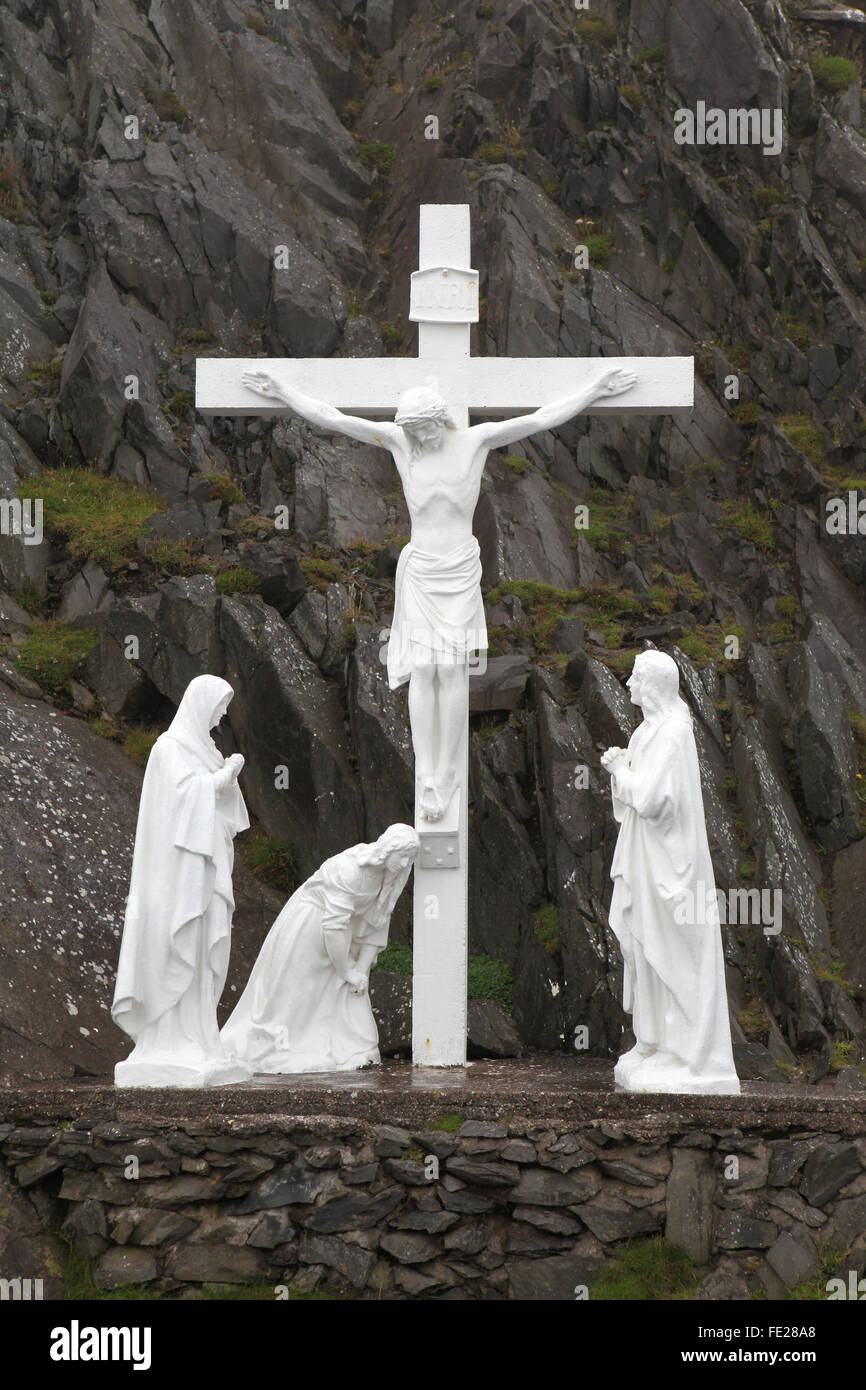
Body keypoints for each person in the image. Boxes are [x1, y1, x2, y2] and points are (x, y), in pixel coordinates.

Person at [241, 365, 636, 821]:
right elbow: (334, 418)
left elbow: (539, 419)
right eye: (412, 431)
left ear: (441, 419)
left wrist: (594, 390)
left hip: (460, 571)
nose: (420, 439)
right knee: (423, 669)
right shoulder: (399, 442)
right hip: (422, 572)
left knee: (451, 670)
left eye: (424, 429)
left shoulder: (475, 441)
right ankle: (426, 771)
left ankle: (447, 772)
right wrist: (285, 391)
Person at [601, 650, 740, 1095]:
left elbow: (657, 802)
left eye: (635, 677)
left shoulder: (674, 733)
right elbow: (633, 805)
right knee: (645, 950)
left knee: (673, 954)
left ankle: (690, 1055)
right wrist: (620, 774)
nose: (628, 685)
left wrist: (620, 770)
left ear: (654, 684)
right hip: (647, 858)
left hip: (672, 869)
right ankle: (656, 1041)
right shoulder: (647, 732)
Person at [112, 675, 251, 1087]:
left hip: (206, 871)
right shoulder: (169, 750)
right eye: (219, 705)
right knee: (181, 943)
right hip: (177, 876)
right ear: (200, 704)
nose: (223, 714)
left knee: (203, 945)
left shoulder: (205, 750)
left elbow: (223, 816)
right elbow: (181, 804)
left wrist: (224, 775)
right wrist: (225, 776)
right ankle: (169, 1039)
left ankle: (198, 1037)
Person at [221, 824, 419, 1073]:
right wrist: (347, 970)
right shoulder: (350, 870)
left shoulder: (389, 880)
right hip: (311, 927)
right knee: (297, 991)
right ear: (387, 849)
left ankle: (348, 1049)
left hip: (343, 939)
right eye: (401, 855)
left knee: (348, 993)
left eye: (409, 858)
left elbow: (378, 924)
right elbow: (333, 927)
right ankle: (283, 1047)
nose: (403, 864)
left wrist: (359, 970)